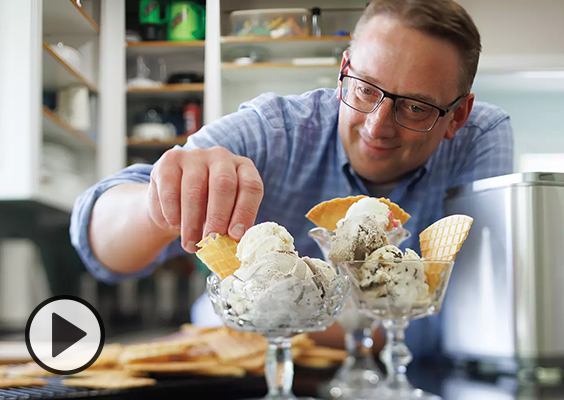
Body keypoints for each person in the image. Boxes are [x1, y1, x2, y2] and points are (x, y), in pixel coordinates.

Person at [70, 0, 513, 359]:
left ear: (456, 115)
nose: (378, 127)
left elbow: (471, 321)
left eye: (415, 107)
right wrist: (162, 203)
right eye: (364, 89)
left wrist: (262, 316)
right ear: (342, 74)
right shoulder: (275, 130)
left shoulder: (480, 138)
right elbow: (100, 243)